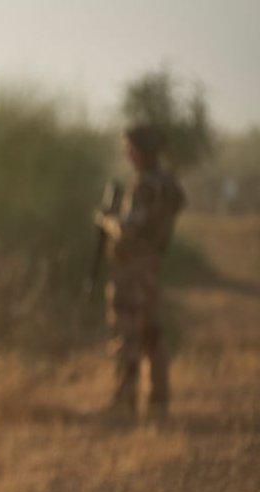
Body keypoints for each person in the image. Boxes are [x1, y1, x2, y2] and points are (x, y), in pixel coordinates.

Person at [93, 124, 184, 423]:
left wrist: (106, 220)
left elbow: (127, 230)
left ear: (142, 151)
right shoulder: (169, 183)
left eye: (129, 148)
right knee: (152, 333)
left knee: (127, 332)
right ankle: (159, 401)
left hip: (132, 268)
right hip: (152, 265)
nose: (126, 154)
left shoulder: (146, 185)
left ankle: (124, 400)